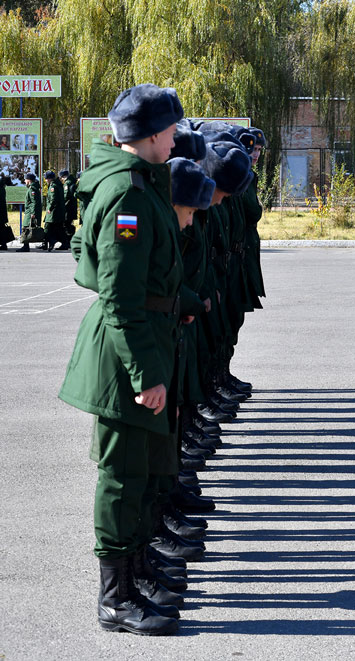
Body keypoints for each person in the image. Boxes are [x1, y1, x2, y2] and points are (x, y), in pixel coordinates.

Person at [58, 83, 186, 636]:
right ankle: (115, 598)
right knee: (122, 474)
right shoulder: (128, 197)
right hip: (124, 356)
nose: (177, 137)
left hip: (144, 341)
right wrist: (146, 375)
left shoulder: (143, 184)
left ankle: (136, 569)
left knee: (144, 469)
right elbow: (120, 296)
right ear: (151, 134)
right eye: (172, 129)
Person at [16, 172, 42, 252]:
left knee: (26, 227)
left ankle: (25, 246)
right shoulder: (33, 188)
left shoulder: (32, 189)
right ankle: (26, 245)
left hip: (30, 212)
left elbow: (33, 202)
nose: (24, 181)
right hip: (30, 211)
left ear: (29, 180)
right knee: (27, 227)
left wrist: (33, 213)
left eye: (25, 179)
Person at [42, 170, 66, 251]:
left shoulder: (53, 186)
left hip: (54, 211)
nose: (45, 180)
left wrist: (50, 208)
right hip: (59, 211)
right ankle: (64, 243)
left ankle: (52, 241)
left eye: (46, 178)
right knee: (59, 228)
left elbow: (53, 199)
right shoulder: (59, 184)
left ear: (49, 179)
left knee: (48, 227)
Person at [1, 173, 13, 250]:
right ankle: (3, 244)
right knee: (2, 228)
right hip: (2, 213)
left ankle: (3, 244)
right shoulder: (2, 189)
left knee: (1, 229)